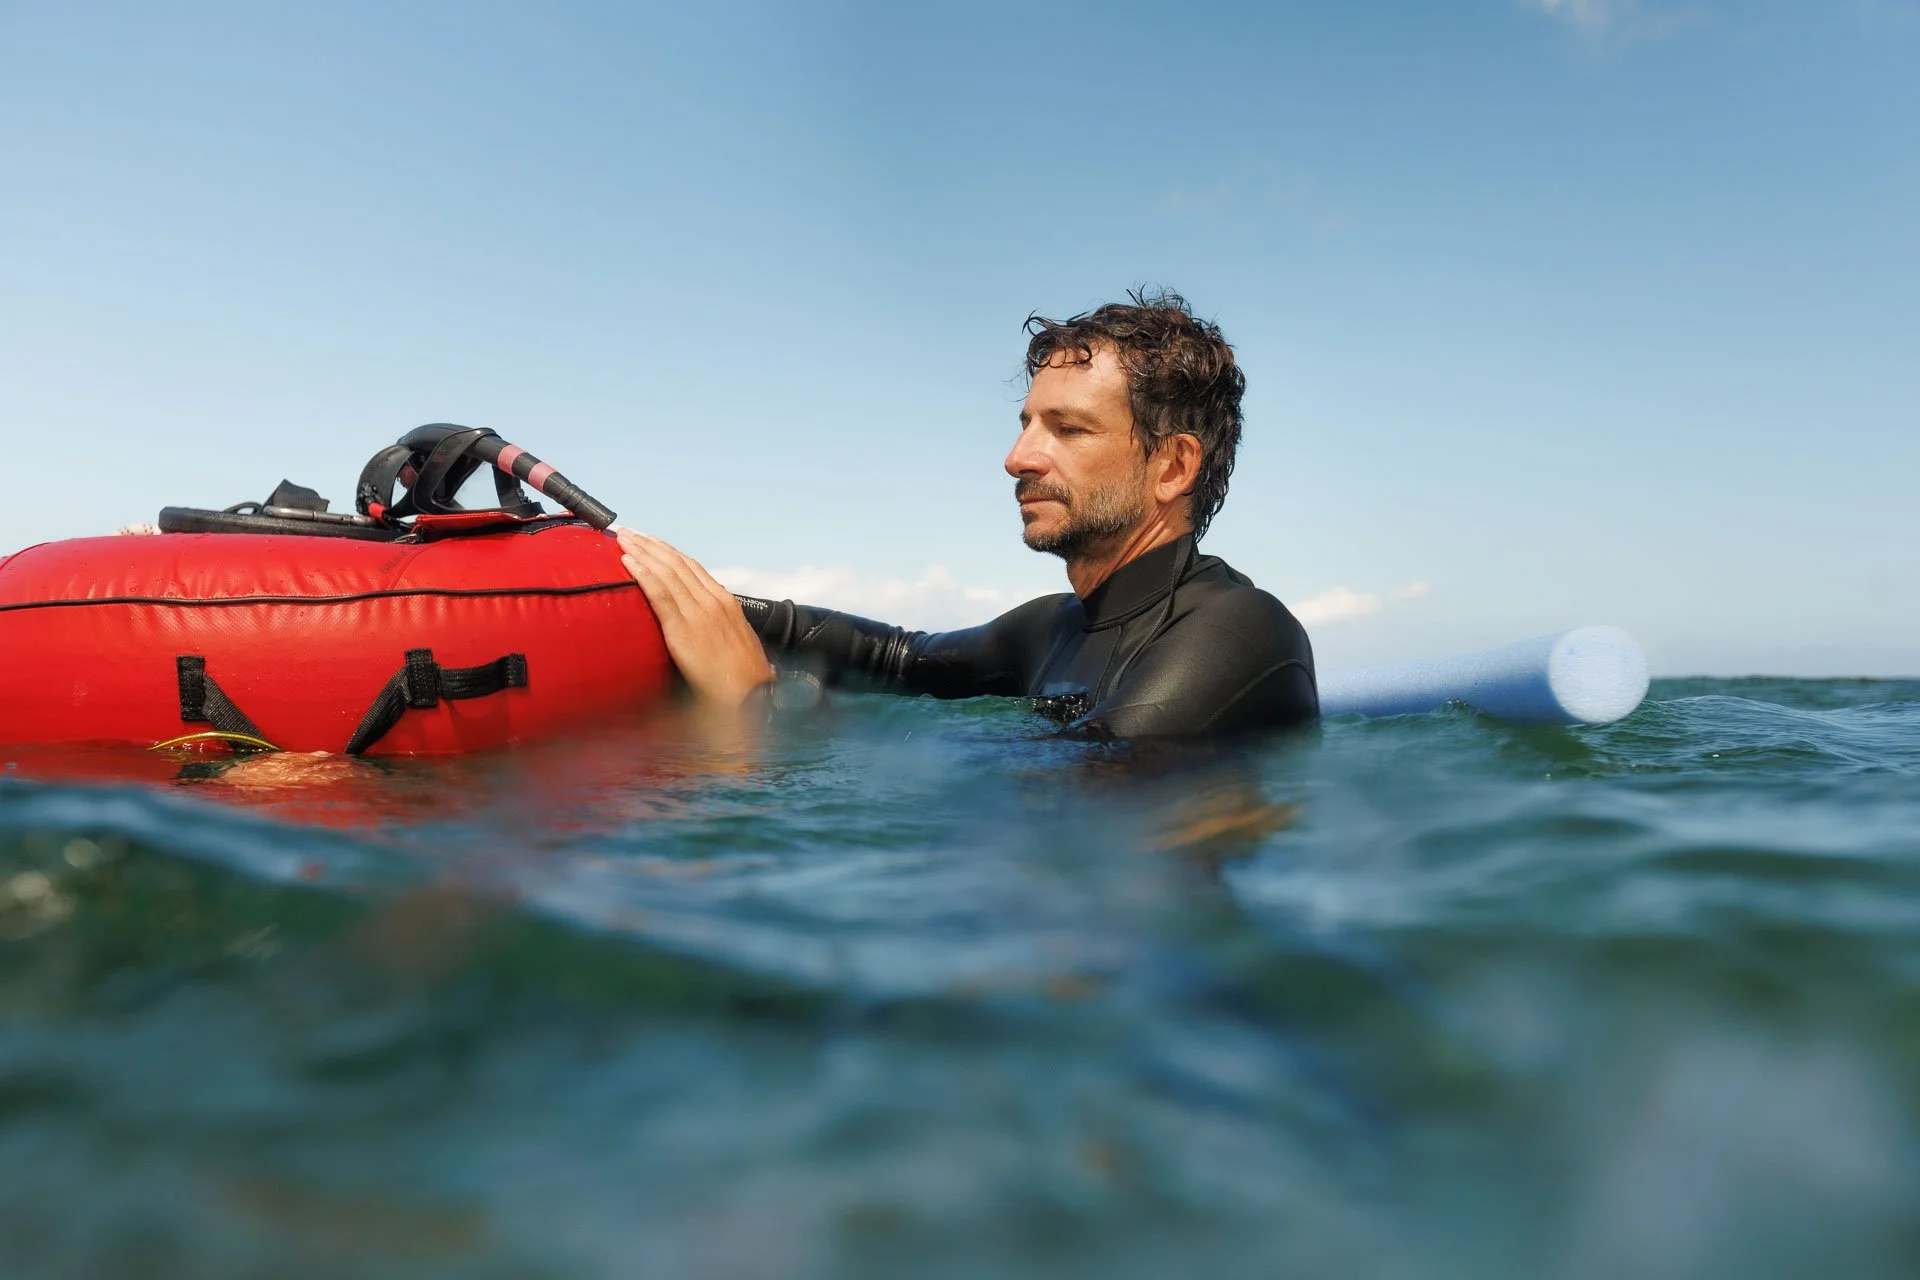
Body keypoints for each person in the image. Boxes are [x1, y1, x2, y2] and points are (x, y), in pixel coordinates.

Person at [615, 289, 1318, 739]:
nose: (1017, 457)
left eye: (1067, 430)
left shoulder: (1242, 631)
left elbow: (1092, 805)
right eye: (1025, 424)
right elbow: (896, 657)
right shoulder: (1051, 629)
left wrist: (757, 705)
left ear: (1173, 466)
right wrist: (694, 597)